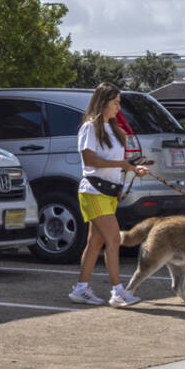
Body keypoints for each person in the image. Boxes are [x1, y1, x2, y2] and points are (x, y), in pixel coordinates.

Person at [68, 83, 151, 307]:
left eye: (119, 102)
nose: (118, 107)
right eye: (115, 102)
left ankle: (81, 289)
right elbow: (90, 160)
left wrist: (133, 169)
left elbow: (116, 164)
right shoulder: (90, 128)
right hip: (93, 191)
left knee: (95, 242)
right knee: (113, 240)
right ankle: (117, 292)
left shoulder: (113, 129)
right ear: (102, 102)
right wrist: (123, 165)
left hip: (108, 192)